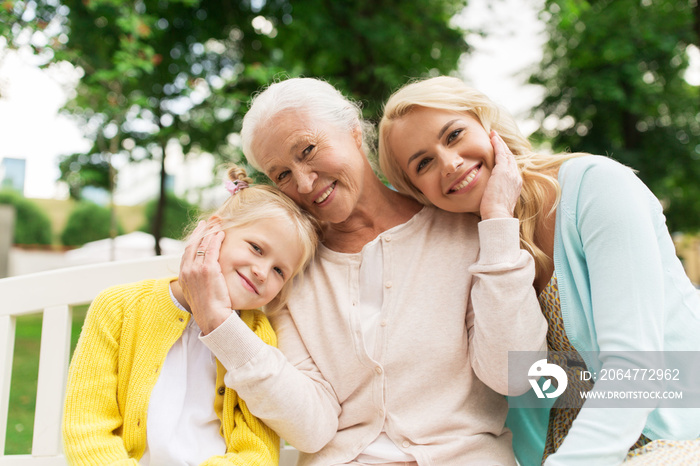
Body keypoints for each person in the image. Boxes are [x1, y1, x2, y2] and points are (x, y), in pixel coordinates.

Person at [178, 77, 548, 466]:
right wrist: (220, 325)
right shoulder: (286, 273)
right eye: (282, 174)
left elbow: (515, 376)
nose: (304, 182)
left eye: (307, 149)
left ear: (354, 131)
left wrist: (497, 225)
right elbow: (312, 428)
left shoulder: (467, 233)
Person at [377, 75, 700, 466]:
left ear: (487, 123)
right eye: (423, 163)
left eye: (454, 134)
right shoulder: (474, 252)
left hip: (677, 427)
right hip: (559, 450)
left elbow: (637, 368)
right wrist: (497, 220)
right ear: (418, 192)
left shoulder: (598, 188)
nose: (449, 163)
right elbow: (527, 379)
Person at [62, 165, 319, 466]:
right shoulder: (117, 307)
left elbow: (257, 452)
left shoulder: (256, 335)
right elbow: (87, 427)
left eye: (279, 271)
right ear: (213, 231)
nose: (263, 272)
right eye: (256, 248)